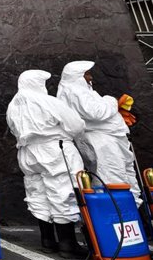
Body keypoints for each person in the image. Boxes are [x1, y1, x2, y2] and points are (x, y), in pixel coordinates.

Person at [6, 70, 87, 258]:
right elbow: (76, 125)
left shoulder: (13, 105)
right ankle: (68, 243)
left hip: (27, 152)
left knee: (38, 194)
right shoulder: (48, 101)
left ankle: (48, 240)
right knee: (62, 191)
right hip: (54, 150)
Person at [57, 61, 141, 207]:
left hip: (110, 140)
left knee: (124, 179)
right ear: (78, 76)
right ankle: (122, 215)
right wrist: (111, 101)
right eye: (87, 74)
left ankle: (136, 216)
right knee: (113, 180)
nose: (91, 78)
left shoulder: (80, 91)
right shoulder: (74, 92)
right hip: (103, 143)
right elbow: (96, 112)